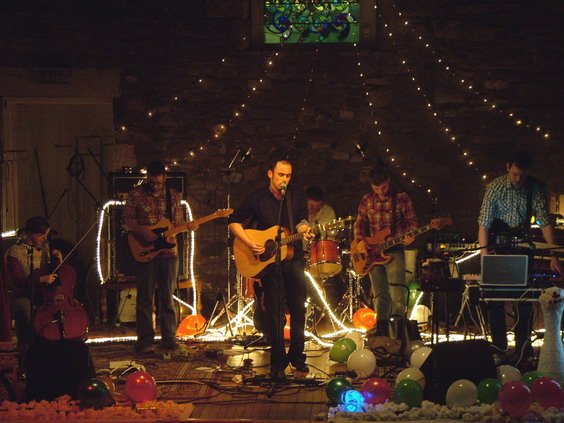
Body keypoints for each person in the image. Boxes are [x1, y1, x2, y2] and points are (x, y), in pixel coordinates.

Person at [228, 156, 314, 378]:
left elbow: (302, 220)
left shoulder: (296, 195)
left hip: (293, 258)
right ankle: (278, 362)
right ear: (270, 174)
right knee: (275, 313)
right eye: (280, 175)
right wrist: (250, 243)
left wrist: (304, 230)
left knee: (299, 308)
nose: (285, 179)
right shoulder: (257, 197)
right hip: (269, 264)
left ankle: (297, 356)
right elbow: (234, 222)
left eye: (288, 176)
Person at [478, 150, 562, 367]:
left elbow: (544, 222)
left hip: (523, 247)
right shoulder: (495, 187)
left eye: (522, 175)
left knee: (524, 300)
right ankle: (499, 349)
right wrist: (485, 256)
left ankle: (523, 350)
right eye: (514, 174)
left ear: (528, 172)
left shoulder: (535, 188)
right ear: (508, 167)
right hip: (498, 246)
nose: (517, 179)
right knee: (495, 300)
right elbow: (484, 223)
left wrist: (553, 254)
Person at [123, 161, 198, 354]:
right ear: (147, 177)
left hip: (169, 254)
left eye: (158, 182)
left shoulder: (173, 196)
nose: (155, 186)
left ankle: (169, 339)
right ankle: (145, 340)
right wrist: (144, 231)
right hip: (145, 250)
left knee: (167, 297)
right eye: (151, 182)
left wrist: (187, 226)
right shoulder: (136, 194)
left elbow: (178, 223)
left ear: (164, 178)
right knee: (145, 298)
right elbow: (127, 220)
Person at [353, 166, 418, 325]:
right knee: (379, 295)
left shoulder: (401, 198)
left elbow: (412, 222)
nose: (380, 192)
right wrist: (360, 241)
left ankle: (397, 328)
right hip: (372, 254)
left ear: (388, 182)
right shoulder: (367, 200)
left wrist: (411, 235)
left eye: (383, 188)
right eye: (376, 189)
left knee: (397, 293)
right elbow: (359, 224)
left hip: (395, 250)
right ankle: (381, 329)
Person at [5, 216, 62, 359]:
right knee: (26, 309)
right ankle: (26, 350)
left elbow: (52, 274)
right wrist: (40, 279)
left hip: (42, 294)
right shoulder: (14, 252)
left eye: (47, 235)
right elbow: (16, 280)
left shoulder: (45, 250)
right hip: (21, 295)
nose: (45, 239)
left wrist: (58, 263)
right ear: (31, 234)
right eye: (42, 235)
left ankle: (53, 349)